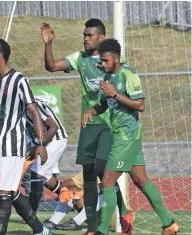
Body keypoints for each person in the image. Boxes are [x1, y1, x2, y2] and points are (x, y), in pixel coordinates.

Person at [41, 19, 132, 235]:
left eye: (89, 35)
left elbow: (125, 88)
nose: (85, 39)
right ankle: (91, 226)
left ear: (101, 37)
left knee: (104, 172)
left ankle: (124, 211)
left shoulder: (115, 62)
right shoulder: (80, 59)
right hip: (88, 125)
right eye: (84, 35)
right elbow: (51, 66)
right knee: (89, 175)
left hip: (110, 125)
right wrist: (48, 44)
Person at [82, 38, 180, 235]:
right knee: (141, 180)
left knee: (108, 180)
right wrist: (92, 110)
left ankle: (101, 231)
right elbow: (105, 102)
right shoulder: (108, 78)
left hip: (127, 138)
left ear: (116, 59)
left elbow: (140, 105)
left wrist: (115, 94)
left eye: (106, 61)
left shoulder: (129, 76)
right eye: (101, 61)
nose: (103, 64)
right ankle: (169, 224)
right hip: (123, 137)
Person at [0, 37, 51, 235]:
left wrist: (40, 143)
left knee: (3, 195)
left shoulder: (19, 80)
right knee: (10, 192)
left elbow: (33, 111)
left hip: (13, 146)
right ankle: (40, 230)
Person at [23, 98, 68, 214]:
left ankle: (31, 214)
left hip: (55, 139)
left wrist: (40, 145)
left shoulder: (33, 104)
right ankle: (75, 198)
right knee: (46, 179)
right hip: (44, 142)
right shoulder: (16, 108)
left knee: (37, 172)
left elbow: (54, 127)